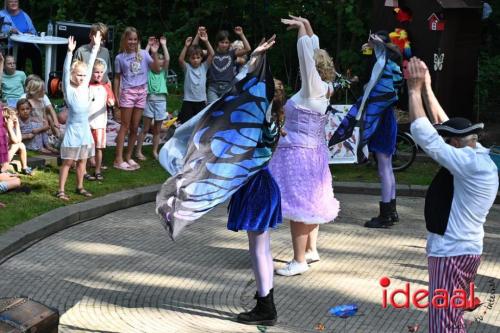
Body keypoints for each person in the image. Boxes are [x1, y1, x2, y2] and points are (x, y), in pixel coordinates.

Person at [156, 36, 279, 326]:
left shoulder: (249, 122)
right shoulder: (266, 121)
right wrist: (255, 59)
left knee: (259, 248)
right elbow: (240, 89)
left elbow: (237, 93)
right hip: (262, 186)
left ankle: (266, 306)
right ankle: (265, 301)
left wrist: (254, 63)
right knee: (261, 248)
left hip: (255, 189)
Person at [407, 57, 498, 333]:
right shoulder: (476, 154)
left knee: (444, 324)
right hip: (463, 251)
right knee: (451, 318)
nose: (448, 146)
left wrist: (413, 89)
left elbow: (429, 138)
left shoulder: (470, 164)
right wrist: (428, 89)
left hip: (451, 253)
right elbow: (447, 125)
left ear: (457, 144)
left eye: (450, 143)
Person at [268, 16, 339, 276]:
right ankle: (311, 249)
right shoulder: (326, 88)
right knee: (311, 201)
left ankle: (298, 260)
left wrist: (301, 31)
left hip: (300, 153)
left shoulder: (313, 89)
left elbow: (306, 57)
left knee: (299, 206)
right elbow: (313, 51)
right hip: (315, 152)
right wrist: (308, 24)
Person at [56, 32, 101, 201]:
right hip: (72, 131)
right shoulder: (70, 89)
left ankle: (79, 186)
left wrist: (96, 47)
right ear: (73, 75)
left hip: (84, 130)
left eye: (83, 76)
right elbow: (66, 71)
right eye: (78, 75)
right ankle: (61, 189)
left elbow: (89, 67)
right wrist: (69, 52)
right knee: (68, 162)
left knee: (83, 160)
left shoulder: (84, 87)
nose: (82, 78)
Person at [113, 27, 156, 171]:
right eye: (129, 39)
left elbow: (156, 68)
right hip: (128, 92)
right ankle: (118, 159)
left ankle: (128, 156)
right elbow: (117, 78)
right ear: (124, 40)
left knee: (135, 127)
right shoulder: (120, 58)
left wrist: (155, 52)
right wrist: (116, 95)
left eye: (135, 39)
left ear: (138, 40)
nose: (132, 42)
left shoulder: (143, 54)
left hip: (142, 92)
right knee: (125, 125)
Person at [136, 35, 170, 160]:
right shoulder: (148, 71)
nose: (160, 60)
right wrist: (149, 46)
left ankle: (155, 151)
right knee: (145, 128)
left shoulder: (163, 73)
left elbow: (167, 59)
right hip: (149, 100)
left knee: (157, 129)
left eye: (161, 59)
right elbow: (142, 58)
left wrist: (164, 45)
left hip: (161, 101)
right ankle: (138, 151)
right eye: (157, 58)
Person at [84, 59, 115, 181]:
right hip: (87, 123)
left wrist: (111, 102)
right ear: (91, 72)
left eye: (101, 72)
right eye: (96, 72)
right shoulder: (86, 86)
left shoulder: (106, 86)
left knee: (99, 148)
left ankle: (97, 170)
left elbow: (111, 100)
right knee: (86, 147)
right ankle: (84, 170)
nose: (99, 74)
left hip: (100, 123)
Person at [178, 27, 214, 124]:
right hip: (188, 101)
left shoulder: (204, 66)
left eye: (198, 57)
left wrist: (206, 41)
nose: (195, 60)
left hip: (201, 101)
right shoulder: (187, 68)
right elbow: (180, 60)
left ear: (202, 58)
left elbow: (212, 54)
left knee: (199, 125)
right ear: (189, 58)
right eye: (193, 58)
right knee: (185, 124)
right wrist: (186, 46)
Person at [206, 26, 251, 103]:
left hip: (228, 87)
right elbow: (195, 51)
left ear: (229, 43)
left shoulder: (232, 53)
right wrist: (205, 40)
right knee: (211, 111)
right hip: (213, 87)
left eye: (226, 42)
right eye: (222, 42)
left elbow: (248, 49)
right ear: (217, 42)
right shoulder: (212, 53)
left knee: (225, 111)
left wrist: (241, 34)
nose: (224, 45)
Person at [0, 0, 42, 76]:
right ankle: (17, 80)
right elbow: (1, 33)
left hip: (26, 44)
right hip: (9, 45)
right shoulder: (1, 14)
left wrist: (30, 33)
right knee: (19, 55)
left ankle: (38, 81)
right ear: (6, 3)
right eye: (11, 2)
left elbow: (34, 32)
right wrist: (10, 31)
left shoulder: (24, 15)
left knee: (36, 53)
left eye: (15, 1)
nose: (13, 3)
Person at [3, 106, 31, 174]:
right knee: (16, 145)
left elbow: (19, 140)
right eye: (13, 121)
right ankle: (4, 168)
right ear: (6, 120)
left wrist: (17, 125)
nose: (14, 122)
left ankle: (24, 167)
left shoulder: (8, 129)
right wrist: (9, 127)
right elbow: (15, 141)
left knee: (21, 145)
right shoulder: (3, 131)